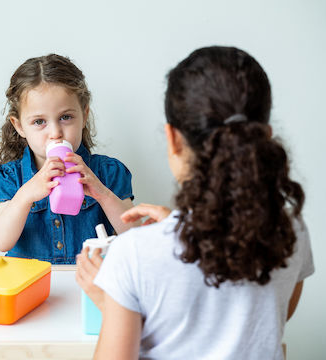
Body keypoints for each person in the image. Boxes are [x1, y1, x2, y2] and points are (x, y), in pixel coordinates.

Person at [78, 46, 314, 359]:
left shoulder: (134, 254)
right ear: (264, 135)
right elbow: (270, 319)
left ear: (173, 138)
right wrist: (179, 224)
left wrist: (110, 301)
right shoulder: (290, 230)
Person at [0, 54, 140, 264]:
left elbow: (136, 238)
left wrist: (101, 193)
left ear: (84, 115)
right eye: (39, 121)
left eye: (65, 117)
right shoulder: (10, 177)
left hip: (90, 286)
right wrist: (26, 195)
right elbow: (2, 242)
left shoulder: (108, 171)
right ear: (20, 126)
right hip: (29, 287)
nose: (56, 132)